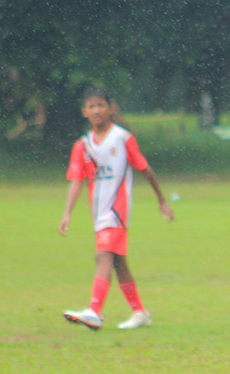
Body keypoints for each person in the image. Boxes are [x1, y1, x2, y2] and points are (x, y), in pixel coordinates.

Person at [59, 86, 174, 331]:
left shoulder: (123, 138)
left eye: (101, 105)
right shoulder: (82, 145)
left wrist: (161, 200)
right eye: (92, 106)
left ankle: (94, 312)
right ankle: (140, 312)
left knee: (102, 256)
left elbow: (145, 168)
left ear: (110, 108)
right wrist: (67, 212)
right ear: (84, 112)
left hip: (117, 210)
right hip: (98, 212)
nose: (97, 110)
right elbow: (77, 180)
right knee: (118, 263)